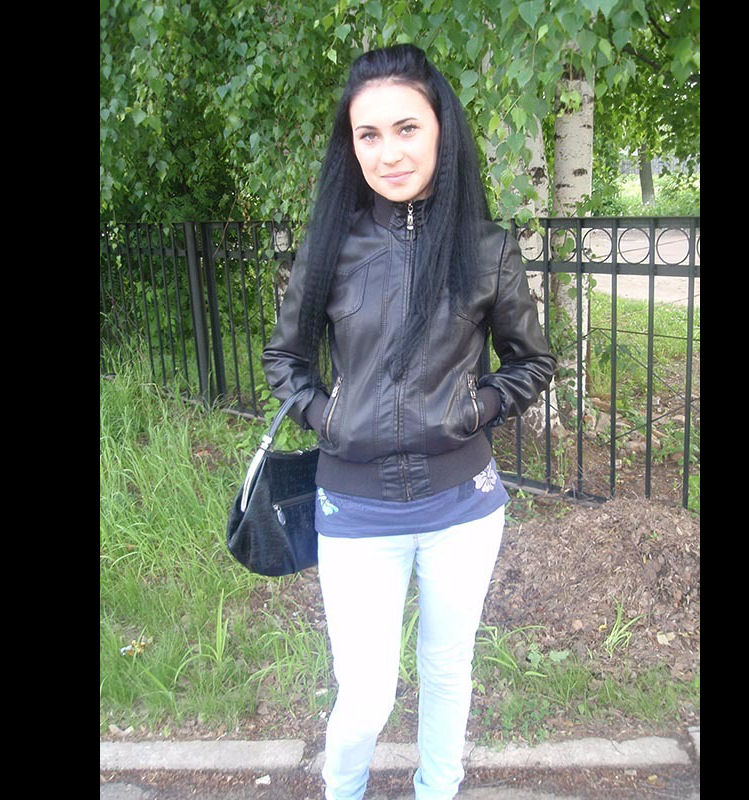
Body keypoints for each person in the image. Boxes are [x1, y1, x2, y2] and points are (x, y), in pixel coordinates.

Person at [262, 43, 556, 800]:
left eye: (406, 128)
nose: (388, 153)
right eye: (368, 134)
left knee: (447, 669)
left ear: (440, 132)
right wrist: (328, 417)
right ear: (351, 144)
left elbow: (531, 362)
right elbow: (285, 360)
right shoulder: (330, 248)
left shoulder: (487, 249)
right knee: (366, 693)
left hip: (463, 507)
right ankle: (343, 789)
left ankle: (438, 789)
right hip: (354, 507)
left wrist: (474, 408)